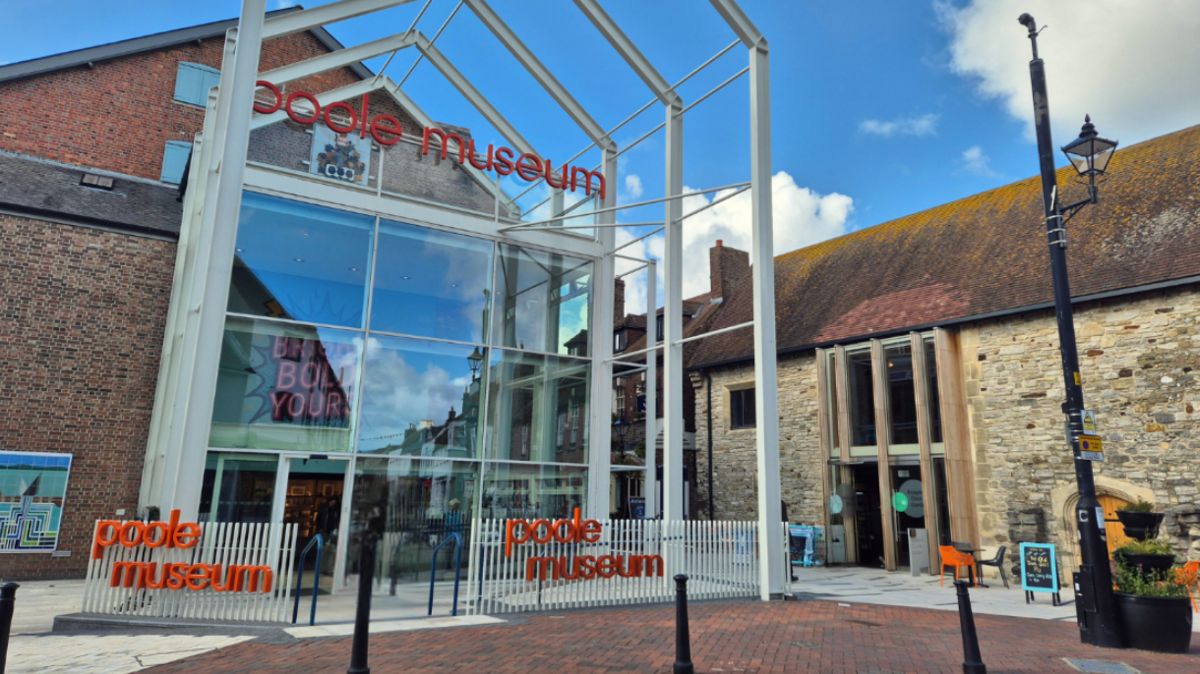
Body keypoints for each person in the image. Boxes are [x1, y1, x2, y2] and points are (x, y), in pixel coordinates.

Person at [782, 500, 797, 582]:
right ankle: (788, 575)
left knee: (785, 555)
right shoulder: (780, 503)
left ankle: (787, 574)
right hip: (783, 531)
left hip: (781, 530)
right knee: (786, 555)